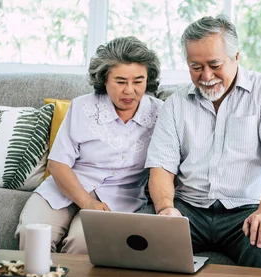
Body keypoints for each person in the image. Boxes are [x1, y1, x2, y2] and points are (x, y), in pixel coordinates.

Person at [140, 15, 261, 270]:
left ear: (236, 57)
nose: (206, 76)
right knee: (139, 243)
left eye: (215, 65)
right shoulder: (175, 104)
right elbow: (161, 166)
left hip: (248, 208)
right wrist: (165, 209)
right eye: (195, 66)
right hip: (189, 209)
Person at [16, 36, 163, 254]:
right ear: (104, 79)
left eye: (138, 81)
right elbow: (58, 164)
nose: (129, 90)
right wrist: (87, 202)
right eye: (120, 82)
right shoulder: (82, 106)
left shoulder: (161, 114)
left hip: (119, 197)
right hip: (65, 186)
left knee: (84, 244)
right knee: (33, 233)